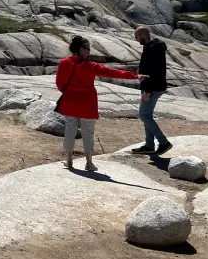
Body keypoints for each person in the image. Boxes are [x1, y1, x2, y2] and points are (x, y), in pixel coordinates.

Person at [56, 35, 144, 172]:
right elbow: (113, 73)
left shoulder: (63, 63)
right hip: (87, 104)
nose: (89, 52)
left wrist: (70, 92)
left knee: (70, 130)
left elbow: (60, 84)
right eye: (88, 49)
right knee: (88, 132)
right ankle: (89, 163)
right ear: (81, 49)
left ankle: (68, 161)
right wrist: (135, 76)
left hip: (69, 102)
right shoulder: (91, 66)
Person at [131, 26, 173, 156]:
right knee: (147, 115)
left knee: (144, 116)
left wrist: (147, 91)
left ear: (143, 35)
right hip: (153, 86)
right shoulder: (152, 47)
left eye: (137, 37)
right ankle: (149, 145)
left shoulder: (153, 49)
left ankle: (163, 142)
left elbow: (153, 71)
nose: (137, 40)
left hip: (152, 87)